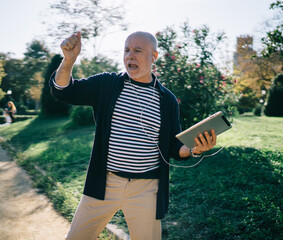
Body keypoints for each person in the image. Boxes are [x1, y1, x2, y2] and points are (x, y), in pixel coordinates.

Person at [50, 31, 217, 240]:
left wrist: (194, 149)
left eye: (138, 50)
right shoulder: (107, 84)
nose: (130, 55)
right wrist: (68, 61)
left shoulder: (167, 100)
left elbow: (174, 148)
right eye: (126, 50)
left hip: (146, 190)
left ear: (154, 56)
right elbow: (64, 91)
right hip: (104, 182)